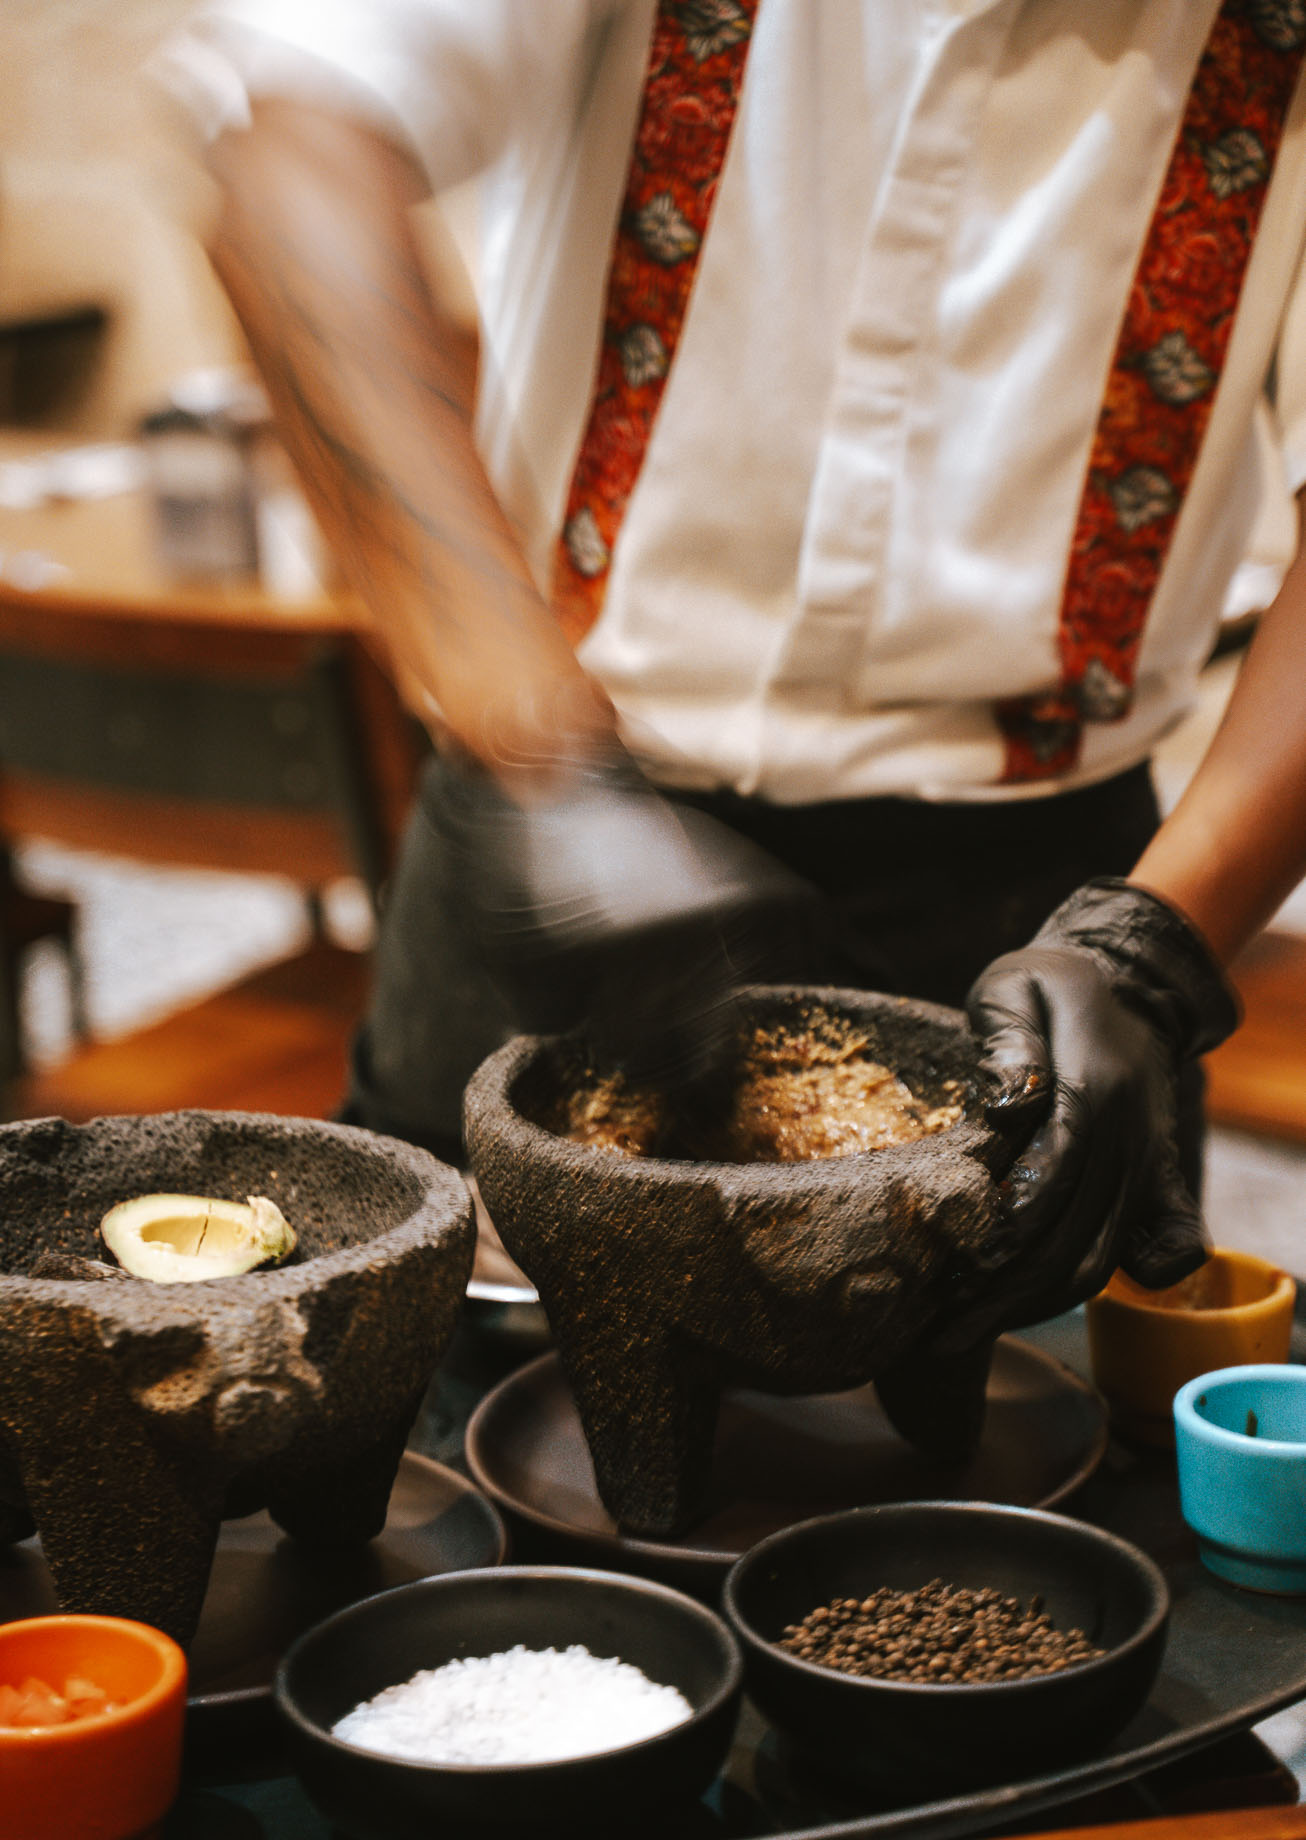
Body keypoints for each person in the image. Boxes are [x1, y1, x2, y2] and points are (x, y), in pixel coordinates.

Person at [161, 0, 1306, 1375]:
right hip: (556, 835)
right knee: (445, 1441)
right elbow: (294, 154)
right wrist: (535, 737)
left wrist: (1162, 946)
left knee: (1006, 1472)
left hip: (1046, 911)